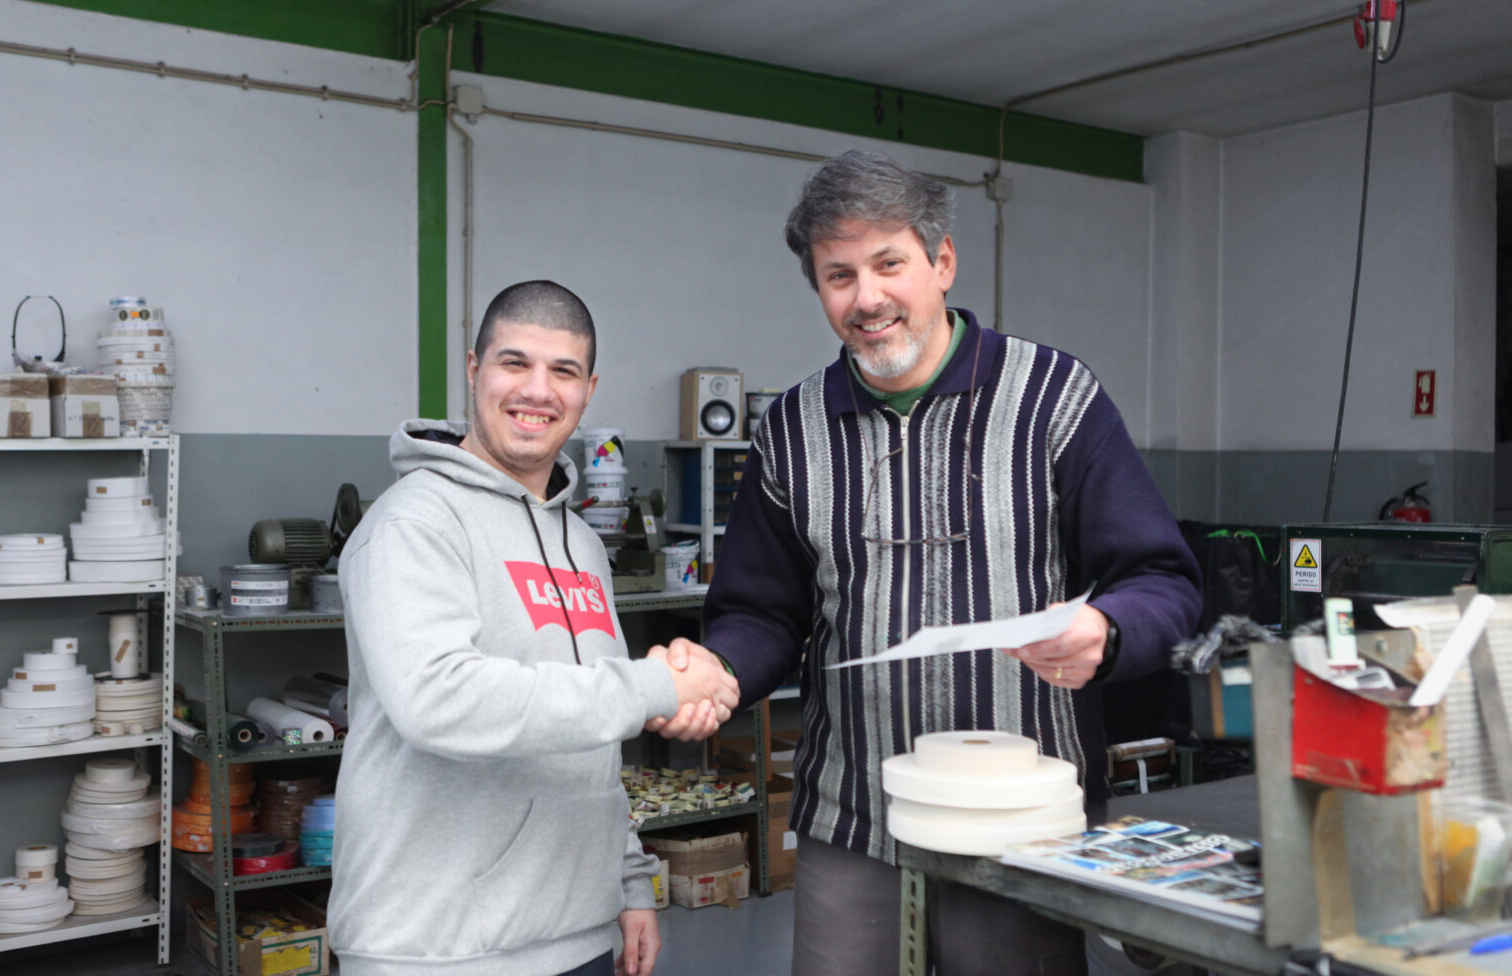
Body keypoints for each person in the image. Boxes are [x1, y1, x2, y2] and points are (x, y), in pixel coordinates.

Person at [653, 150, 1202, 975]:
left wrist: (1107, 629)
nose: (867, 298)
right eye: (839, 275)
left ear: (942, 262)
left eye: (889, 263)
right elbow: (762, 611)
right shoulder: (792, 431)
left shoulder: (1053, 398)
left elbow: (1163, 581)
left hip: (1018, 819)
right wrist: (724, 672)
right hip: (854, 819)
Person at [333, 280, 739, 976]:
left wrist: (629, 880)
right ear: (473, 369)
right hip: (436, 948)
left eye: (564, 371)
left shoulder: (580, 543)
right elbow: (438, 700)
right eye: (514, 363)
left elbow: (588, 738)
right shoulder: (412, 524)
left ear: (588, 389)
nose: (537, 390)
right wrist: (656, 684)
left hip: (576, 934)